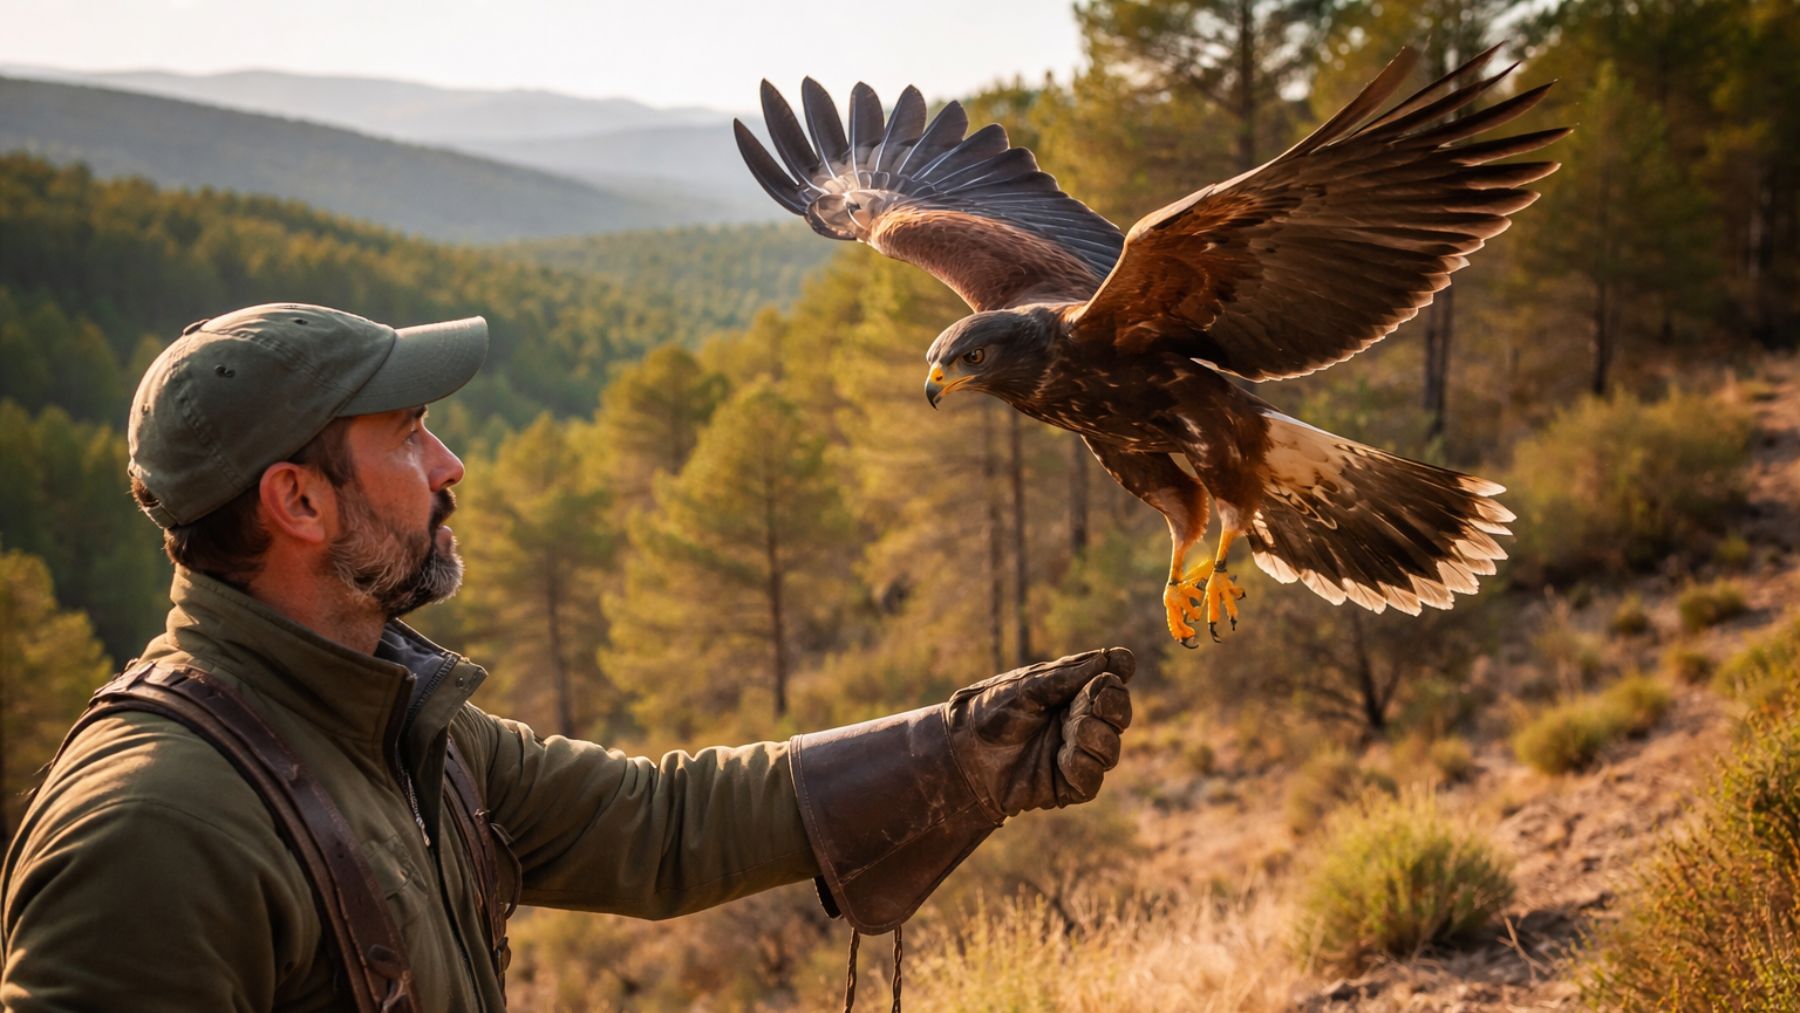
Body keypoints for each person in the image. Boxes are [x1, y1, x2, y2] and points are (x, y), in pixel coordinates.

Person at [0, 304, 1135, 1011]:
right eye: (407, 434)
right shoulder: (150, 832)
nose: (450, 463)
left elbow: (661, 821)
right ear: (298, 501)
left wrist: (960, 757)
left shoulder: (406, 726)